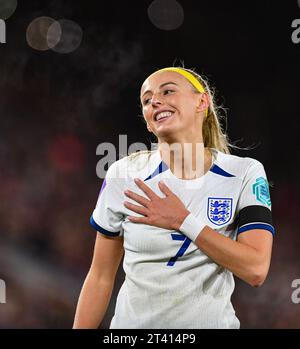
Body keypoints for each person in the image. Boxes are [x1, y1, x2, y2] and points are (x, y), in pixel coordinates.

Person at [73, 67, 274, 329]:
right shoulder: (123, 174)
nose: (155, 100)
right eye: (147, 100)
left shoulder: (244, 172)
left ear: (202, 101)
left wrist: (183, 221)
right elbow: (100, 276)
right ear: (147, 121)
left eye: (168, 91)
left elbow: (256, 269)